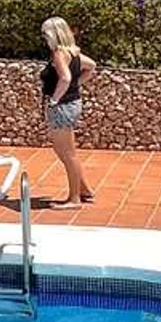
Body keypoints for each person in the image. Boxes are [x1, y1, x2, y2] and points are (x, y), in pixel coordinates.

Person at [40, 15, 96, 205]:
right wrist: (75, 85)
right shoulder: (72, 52)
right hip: (71, 104)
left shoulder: (59, 53)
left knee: (68, 154)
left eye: (45, 34)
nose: (43, 37)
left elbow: (65, 77)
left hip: (63, 106)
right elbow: (91, 66)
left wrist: (55, 99)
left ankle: (74, 198)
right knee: (63, 151)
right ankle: (84, 189)